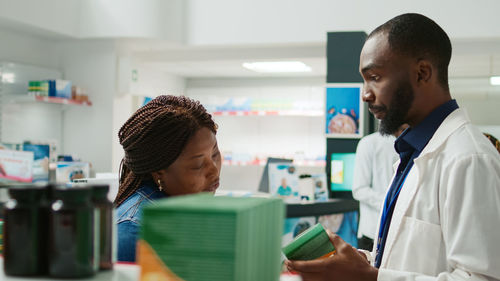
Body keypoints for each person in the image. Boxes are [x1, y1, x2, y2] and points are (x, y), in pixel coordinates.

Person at [286, 13, 500, 281]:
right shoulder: (412, 153)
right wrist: (360, 263)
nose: (365, 94)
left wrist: (370, 277)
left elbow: (483, 278)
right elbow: (413, 258)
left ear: (422, 73)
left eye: (375, 77)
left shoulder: (468, 158)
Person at [115, 95, 222, 262]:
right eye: (198, 165)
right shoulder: (135, 231)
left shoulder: (182, 204)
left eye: (215, 154)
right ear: (159, 172)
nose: (214, 171)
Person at [351, 124, 407, 251]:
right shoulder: (369, 143)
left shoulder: (414, 143)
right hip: (373, 232)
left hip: (401, 232)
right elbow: (359, 189)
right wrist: (391, 204)